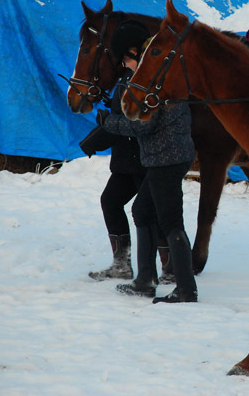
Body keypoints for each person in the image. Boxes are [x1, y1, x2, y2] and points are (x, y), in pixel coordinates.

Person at [98, 26, 198, 303]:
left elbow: (143, 125)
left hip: (166, 159)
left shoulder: (156, 82)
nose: (125, 65)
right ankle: (144, 279)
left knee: (171, 222)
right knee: (142, 211)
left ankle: (186, 289)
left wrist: (107, 122)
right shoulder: (164, 77)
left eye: (127, 58)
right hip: (165, 157)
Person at [79, 21, 148, 282]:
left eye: (128, 56)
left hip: (145, 159)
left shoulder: (146, 80)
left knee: (154, 212)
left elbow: (134, 122)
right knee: (110, 201)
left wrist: (104, 128)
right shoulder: (124, 78)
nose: (124, 61)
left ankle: (171, 267)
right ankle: (121, 264)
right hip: (126, 160)